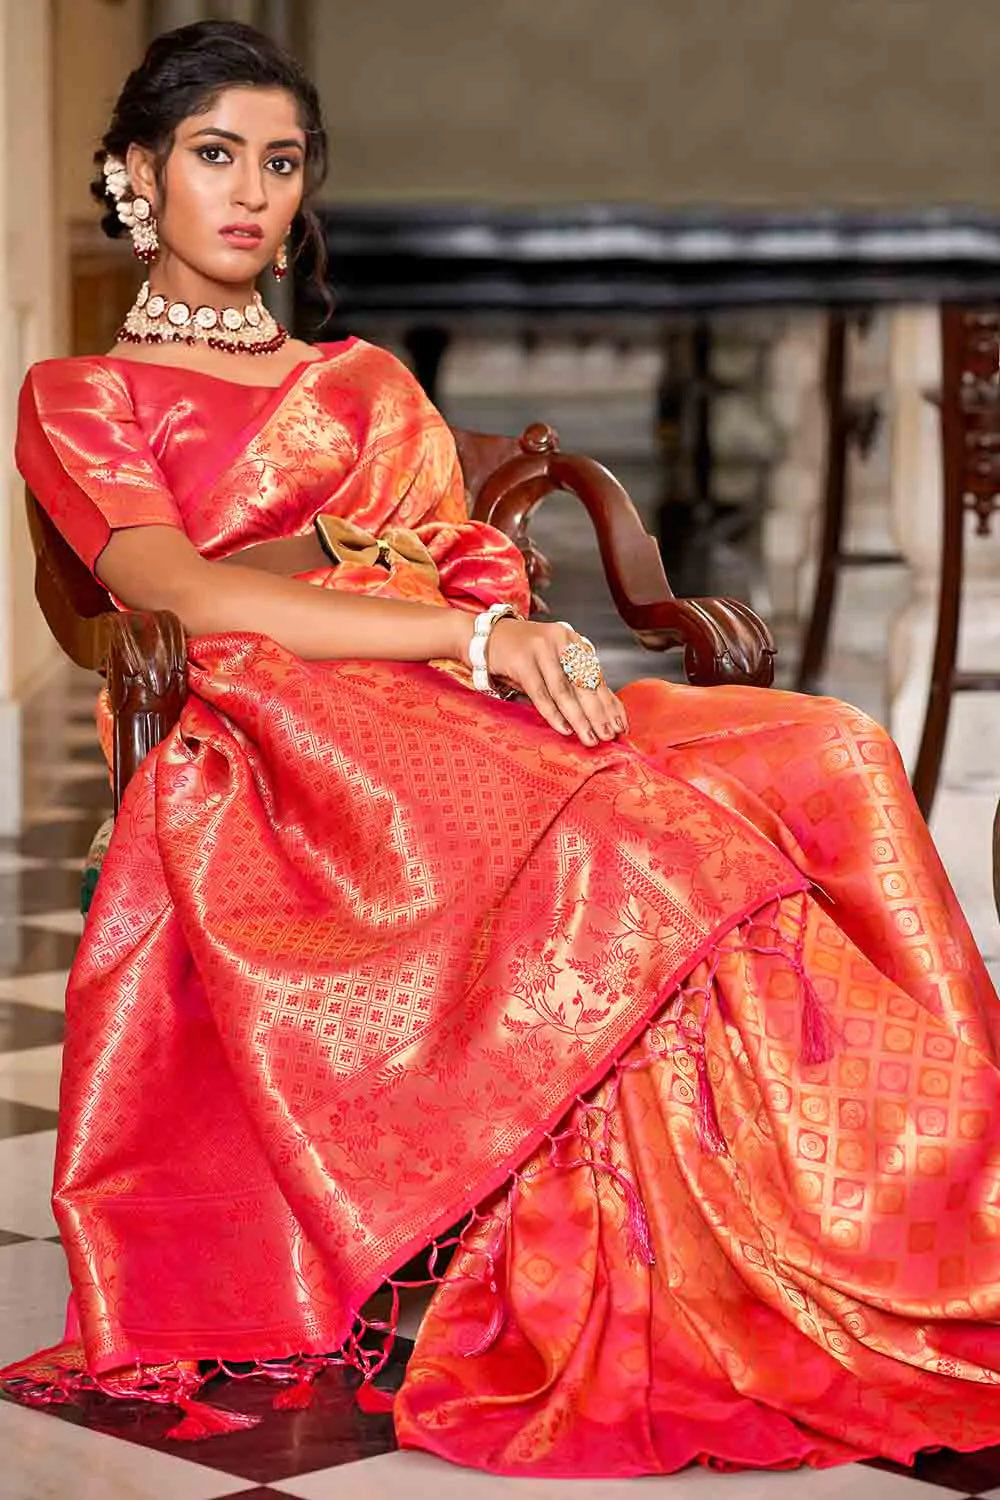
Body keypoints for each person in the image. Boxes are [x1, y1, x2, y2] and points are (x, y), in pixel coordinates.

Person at [5, 17, 1000, 1481]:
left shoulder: (364, 382)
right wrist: (463, 641)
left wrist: (492, 637)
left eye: (281, 161)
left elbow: (463, 562)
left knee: (831, 752)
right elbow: (179, 592)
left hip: (457, 686)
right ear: (138, 175)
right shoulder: (83, 395)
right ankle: (785, 1260)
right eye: (215, 155)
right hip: (278, 723)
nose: (252, 192)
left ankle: (945, 1208)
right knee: (650, 840)